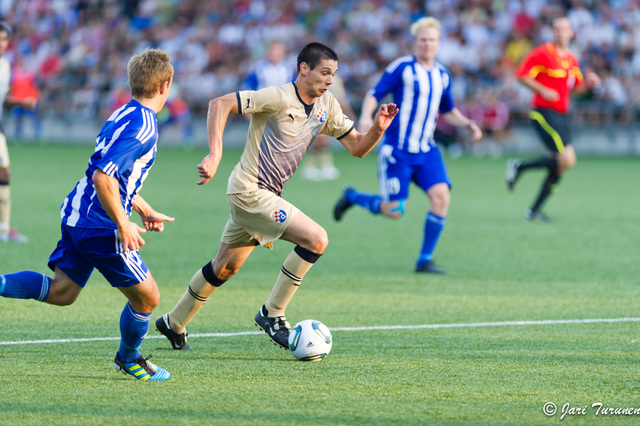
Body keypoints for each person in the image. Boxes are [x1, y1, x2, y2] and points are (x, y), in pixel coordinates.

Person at [155, 42, 398, 351]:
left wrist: (377, 128)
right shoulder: (277, 97)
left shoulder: (327, 106)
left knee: (224, 267)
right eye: (324, 72)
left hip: (265, 195)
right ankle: (272, 314)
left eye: (333, 74)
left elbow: (357, 148)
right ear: (304, 69)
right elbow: (220, 103)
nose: (329, 80)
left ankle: (173, 322)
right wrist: (215, 155)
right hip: (249, 190)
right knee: (316, 239)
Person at [0, 49, 176, 381]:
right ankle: (129, 358)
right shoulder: (145, 127)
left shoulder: (123, 112)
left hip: (77, 213)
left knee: (62, 292)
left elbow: (110, 172)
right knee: (148, 296)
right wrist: (124, 224)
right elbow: (104, 177)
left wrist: (141, 206)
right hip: (100, 224)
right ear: (166, 85)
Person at [333, 17, 482, 275]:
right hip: (398, 151)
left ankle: (425, 259)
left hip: (426, 151)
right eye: (423, 39)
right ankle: (352, 197)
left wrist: (467, 124)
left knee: (441, 197)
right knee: (395, 211)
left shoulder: (443, 75)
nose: (427, 44)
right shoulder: (402, 68)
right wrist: (367, 116)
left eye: (432, 40)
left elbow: (448, 110)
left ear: (439, 43)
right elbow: (374, 93)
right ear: (415, 42)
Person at [506, 16, 600, 222]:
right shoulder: (542, 53)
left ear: (571, 32)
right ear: (553, 32)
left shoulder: (571, 59)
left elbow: (577, 87)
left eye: (564, 29)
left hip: (561, 114)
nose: (560, 32)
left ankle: (533, 210)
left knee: (562, 165)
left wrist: (590, 84)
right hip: (543, 112)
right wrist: (543, 89)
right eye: (556, 29)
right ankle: (519, 168)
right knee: (567, 159)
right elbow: (521, 75)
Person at [0, 23, 37, 243]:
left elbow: (3, 99)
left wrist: (21, 103)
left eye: (4, 39)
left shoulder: (5, 65)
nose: (1, 43)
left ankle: (3, 228)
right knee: (3, 173)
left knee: (3, 174)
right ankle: (3, 228)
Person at [300, 72, 355, 181]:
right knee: (321, 139)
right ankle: (322, 167)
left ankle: (314, 167)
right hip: (318, 110)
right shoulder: (323, 78)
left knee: (321, 140)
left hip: (327, 111)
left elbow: (340, 98)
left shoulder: (335, 79)